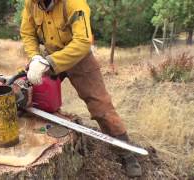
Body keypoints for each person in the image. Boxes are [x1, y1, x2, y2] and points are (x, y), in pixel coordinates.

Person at [20, 0, 142, 177]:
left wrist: (49, 63)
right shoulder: (30, 3)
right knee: (26, 90)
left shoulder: (73, 3)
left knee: (102, 107)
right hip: (49, 57)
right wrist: (35, 58)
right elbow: (27, 32)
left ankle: (126, 154)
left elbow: (83, 41)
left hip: (79, 58)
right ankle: (31, 138)